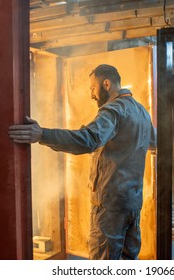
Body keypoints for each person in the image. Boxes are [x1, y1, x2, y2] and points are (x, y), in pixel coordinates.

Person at [8, 64, 156, 260]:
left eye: (92, 88)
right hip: (132, 204)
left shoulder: (114, 111)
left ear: (106, 84)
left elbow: (88, 140)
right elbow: (154, 145)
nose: (92, 95)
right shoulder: (142, 113)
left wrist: (42, 134)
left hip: (110, 206)